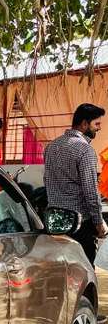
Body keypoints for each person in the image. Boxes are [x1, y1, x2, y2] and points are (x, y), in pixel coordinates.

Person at [44, 103, 107, 266]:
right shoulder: (85, 150)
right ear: (84, 124)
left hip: (55, 221)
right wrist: (99, 223)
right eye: (97, 124)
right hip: (79, 224)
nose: (99, 128)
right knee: (84, 271)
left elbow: (47, 181)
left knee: (61, 270)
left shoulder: (51, 146)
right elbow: (91, 192)